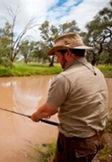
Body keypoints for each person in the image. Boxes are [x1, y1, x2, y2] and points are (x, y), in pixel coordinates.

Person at [31, 33, 108, 162]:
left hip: (76, 144)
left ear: (68, 53)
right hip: (97, 137)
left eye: (58, 56)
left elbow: (48, 110)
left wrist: (35, 116)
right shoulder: (97, 71)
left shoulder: (65, 78)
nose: (57, 60)